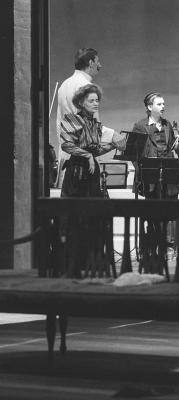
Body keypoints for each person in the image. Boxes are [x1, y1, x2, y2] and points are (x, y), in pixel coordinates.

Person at [59, 83, 116, 277]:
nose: (96, 103)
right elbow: (66, 145)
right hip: (77, 173)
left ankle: (89, 262)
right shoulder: (72, 119)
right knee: (75, 217)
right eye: (91, 100)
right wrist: (87, 156)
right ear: (81, 103)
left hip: (91, 173)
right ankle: (72, 264)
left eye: (97, 100)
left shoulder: (94, 123)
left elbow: (96, 149)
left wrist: (113, 145)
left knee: (93, 216)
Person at [131, 92, 179, 274]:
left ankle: (168, 246)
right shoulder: (140, 126)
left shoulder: (168, 125)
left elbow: (175, 148)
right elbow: (134, 153)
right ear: (149, 107)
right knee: (152, 210)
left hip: (167, 172)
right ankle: (151, 246)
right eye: (159, 104)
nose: (163, 107)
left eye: (163, 104)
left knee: (170, 210)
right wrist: (142, 172)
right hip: (150, 174)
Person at [56, 48, 102, 187]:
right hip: (84, 160)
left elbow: (59, 121)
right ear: (91, 63)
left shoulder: (64, 85)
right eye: (98, 61)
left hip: (68, 154)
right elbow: (95, 126)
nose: (100, 65)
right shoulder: (87, 87)